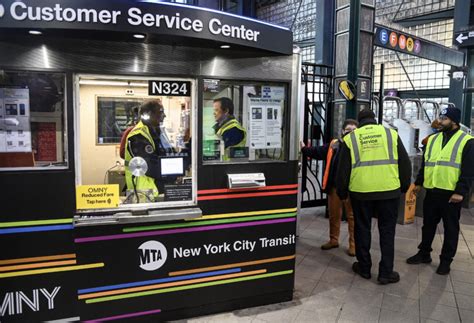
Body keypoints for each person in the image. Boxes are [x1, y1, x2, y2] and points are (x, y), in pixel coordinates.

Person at [337, 109, 411, 284]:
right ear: (374, 120)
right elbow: (405, 162)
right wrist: (404, 187)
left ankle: (364, 268)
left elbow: (343, 170)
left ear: (359, 121)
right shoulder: (391, 134)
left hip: (361, 192)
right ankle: (386, 273)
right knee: (387, 231)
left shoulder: (351, 138)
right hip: (389, 191)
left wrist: (342, 192)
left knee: (362, 228)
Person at [406, 107, 474, 275]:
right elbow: (426, 163)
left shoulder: (467, 141)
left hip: (451, 194)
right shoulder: (434, 139)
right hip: (432, 190)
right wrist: (418, 183)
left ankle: (445, 260)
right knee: (428, 225)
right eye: (440, 117)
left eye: (444, 118)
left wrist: (461, 192)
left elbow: (469, 171)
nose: (440, 121)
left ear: (454, 122)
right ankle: (424, 253)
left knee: (450, 228)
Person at [300, 119, 359, 256]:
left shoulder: (359, 146)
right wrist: (304, 148)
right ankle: (333, 240)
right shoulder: (334, 144)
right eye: (348, 130)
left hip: (351, 188)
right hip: (334, 187)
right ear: (343, 131)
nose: (350, 133)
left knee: (352, 217)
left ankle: (353, 245)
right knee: (334, 215)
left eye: (354, 130)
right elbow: (317, 152)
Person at [124, 100, 173, 203]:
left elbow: (168, 154)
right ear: (149, 114)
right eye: (161, 111)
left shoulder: (157, 131)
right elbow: (150, 166)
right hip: (144, 193)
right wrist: (172, 173)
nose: (164, 115)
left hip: (159, 190)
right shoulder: (138, 135)